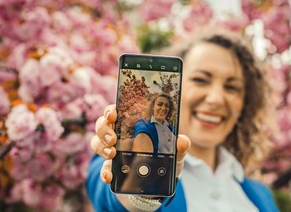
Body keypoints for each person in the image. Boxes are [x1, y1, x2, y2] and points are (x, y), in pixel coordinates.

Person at [87, 34, 279, 211]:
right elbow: (112, 199)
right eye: (201, 80)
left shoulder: (261, 196)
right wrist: (140, 193)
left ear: (245, 103)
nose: (216, 99)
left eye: (231, 87)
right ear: (176, 88)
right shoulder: (123, 149)